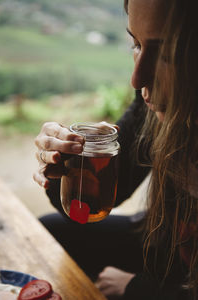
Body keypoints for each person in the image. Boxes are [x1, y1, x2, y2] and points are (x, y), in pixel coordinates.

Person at [33, 0, 198, 299]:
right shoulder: (156, 109)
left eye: (168, 54)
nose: (138, 78)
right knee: (51, 230)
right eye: (136, 44)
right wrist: (66, 165)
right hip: (168, 245)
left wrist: (138, 289)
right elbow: (89, 210)